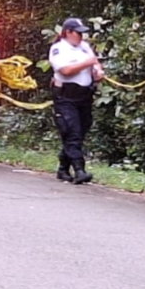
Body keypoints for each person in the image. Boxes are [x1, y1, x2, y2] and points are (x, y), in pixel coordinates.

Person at [48, 17, 105, 184]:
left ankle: (63, 168)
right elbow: (65, 70)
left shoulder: (84, 47)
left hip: (84, 95)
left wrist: (97, 72)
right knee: (72, 131)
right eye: (78, 33)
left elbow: (95, 64)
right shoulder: (58, 49)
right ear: (68, 32)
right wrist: (88, 62)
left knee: (81, 131)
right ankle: (79, 170)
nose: (81, 37)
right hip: (66, 96)